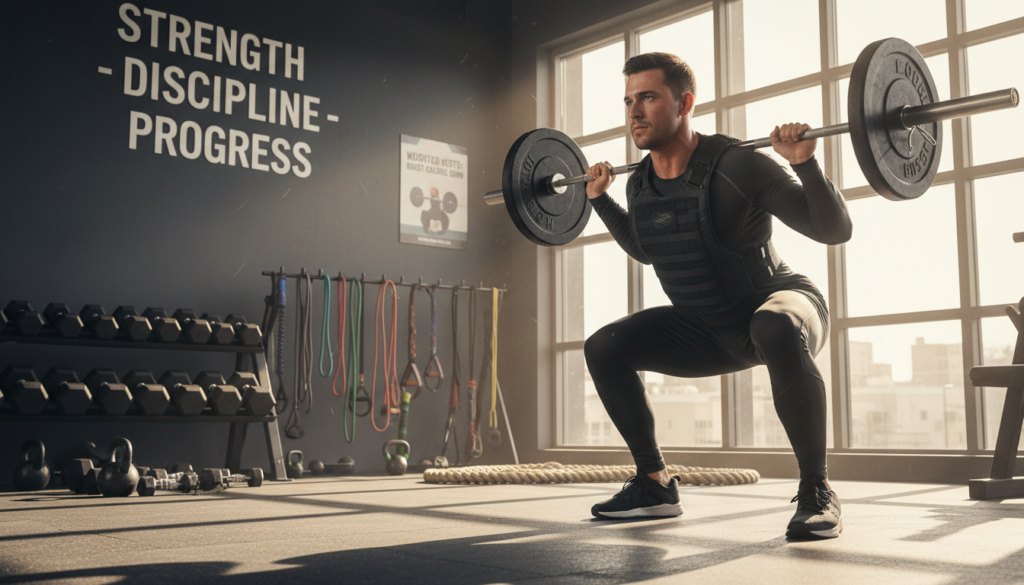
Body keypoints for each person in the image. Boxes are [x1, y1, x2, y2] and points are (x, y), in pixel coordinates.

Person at [584, 52, 853, 540]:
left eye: (647, 97)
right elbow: (646, 249)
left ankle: (818, 489)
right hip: (707, 329)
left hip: (781, 308)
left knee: (771, 324)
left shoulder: (738, 165)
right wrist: (602, 201)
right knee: (604, 346)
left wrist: (805, 164)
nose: (634, 111)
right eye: (628, 100)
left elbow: (833, 229)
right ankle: (654, 485)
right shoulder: (642, 182)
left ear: (684, 102)